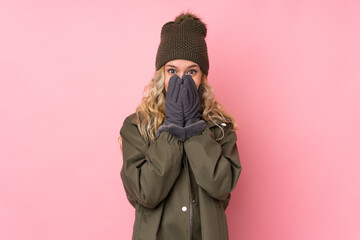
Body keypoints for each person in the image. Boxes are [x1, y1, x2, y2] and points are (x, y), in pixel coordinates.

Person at [118, 11, 242, 240]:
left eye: (191, 72)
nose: (181, 80)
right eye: (172, 71)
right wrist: (173, 128)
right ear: (161, 75)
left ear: (202, 77)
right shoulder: (136, 126)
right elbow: (146, 193)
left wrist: (195, 128)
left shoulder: (219, 127)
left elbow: (221, 186)